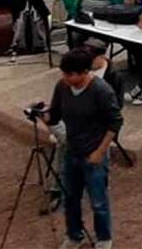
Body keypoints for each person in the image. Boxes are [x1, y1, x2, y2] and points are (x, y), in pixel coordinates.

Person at [40, 48, 123, 249]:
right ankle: (74, 235)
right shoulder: (62, 86)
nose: (66, 78)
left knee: (98, 202)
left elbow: (115, 122)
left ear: (85, 72)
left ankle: (104, 239)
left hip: (94, 154)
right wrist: (42, 116)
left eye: (71, 74)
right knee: (70, 198)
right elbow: (55, 115)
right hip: (72, 151)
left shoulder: (101, 91)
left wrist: (100, 152)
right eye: (64, 74)